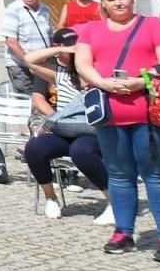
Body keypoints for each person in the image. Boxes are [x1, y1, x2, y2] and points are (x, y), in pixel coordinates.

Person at [76, 0, 160, 261]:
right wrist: (103, 83)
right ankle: (124, 231)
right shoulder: (91, 29)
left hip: (151, 115)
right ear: (104, 3)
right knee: (119, 175)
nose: (117, 3)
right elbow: (82, 63)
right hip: (110, 114)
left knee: (158, 174)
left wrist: (140, 80)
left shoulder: (152, 25)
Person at [23, 28, 112, 224]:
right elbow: (28, 59)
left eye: (77, 44)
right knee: (34, 148)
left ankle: (112, 201)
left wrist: (81, 54)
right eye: (70, 45)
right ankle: (50, 197)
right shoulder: (60, 73)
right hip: (65, 130)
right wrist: (65, 49)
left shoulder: (95, 71)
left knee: (81, 150)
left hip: (91, 130)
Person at [4, 0, 55, 116]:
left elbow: (50, 36)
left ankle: (38, 130)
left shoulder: (45, 9)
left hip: (43, 64)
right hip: (20, 65)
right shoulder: (13, 9)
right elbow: (11, 41)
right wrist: (29, 63)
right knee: (26, 100)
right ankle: (25, 133)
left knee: (44, 98)